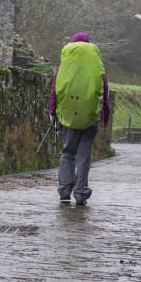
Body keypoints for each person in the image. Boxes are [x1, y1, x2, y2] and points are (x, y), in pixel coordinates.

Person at [48, 32, 110, 205]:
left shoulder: (64, 65)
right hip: (90, 118)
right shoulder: (96, 65)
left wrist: (52, 112)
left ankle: (64, 190)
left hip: (67, 116)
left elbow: (56, 91)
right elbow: (104, 92)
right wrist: (105, 116)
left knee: (67, 153)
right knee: (84, 156)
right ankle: (81, 193)